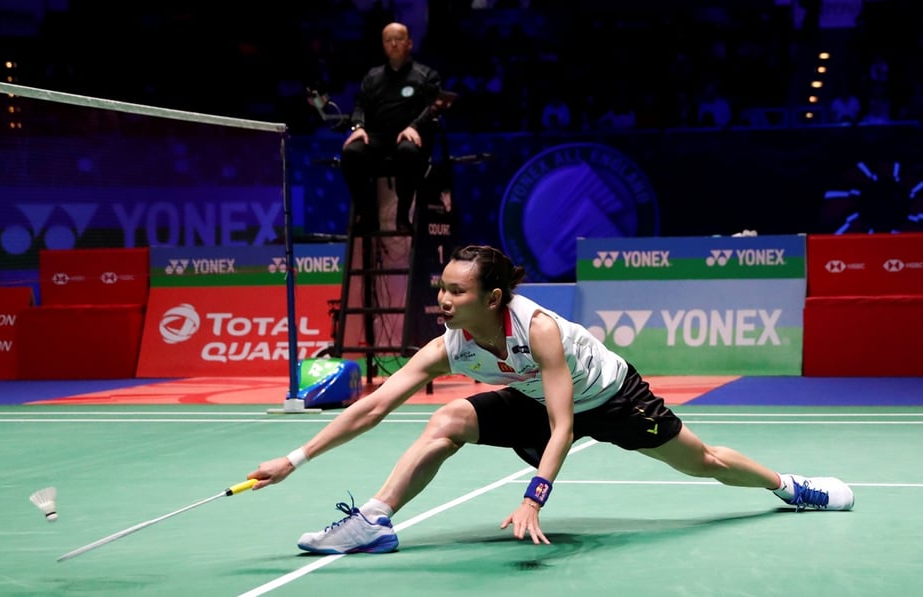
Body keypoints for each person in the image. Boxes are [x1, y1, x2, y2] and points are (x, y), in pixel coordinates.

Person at [247, 245, 854, 554]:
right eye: (442, 289)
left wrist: (535, 496)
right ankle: (374, 521)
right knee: (447, 418)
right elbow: (371, 408)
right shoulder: (450, 345)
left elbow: (564, 425)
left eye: (456, 291)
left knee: (707, 464)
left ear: (493, 298)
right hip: (532, 399)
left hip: (609, 397)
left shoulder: (535, 329)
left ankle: (788, 487)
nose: (443, 301)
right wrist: (294, 460)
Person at [340, 22, 441, 234]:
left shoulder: (426, 75)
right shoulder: (373, 76)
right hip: (377, 139)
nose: (393, 44)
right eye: (388, 40)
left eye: (399, 39)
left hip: (408, 139)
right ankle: (367, 214)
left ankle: (403, 216)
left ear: (410, 43)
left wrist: (414, 126)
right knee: (350, 153)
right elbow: (360, 105)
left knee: (407, 151)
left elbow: (434, 107)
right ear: (383, 45)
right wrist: (358, 126)